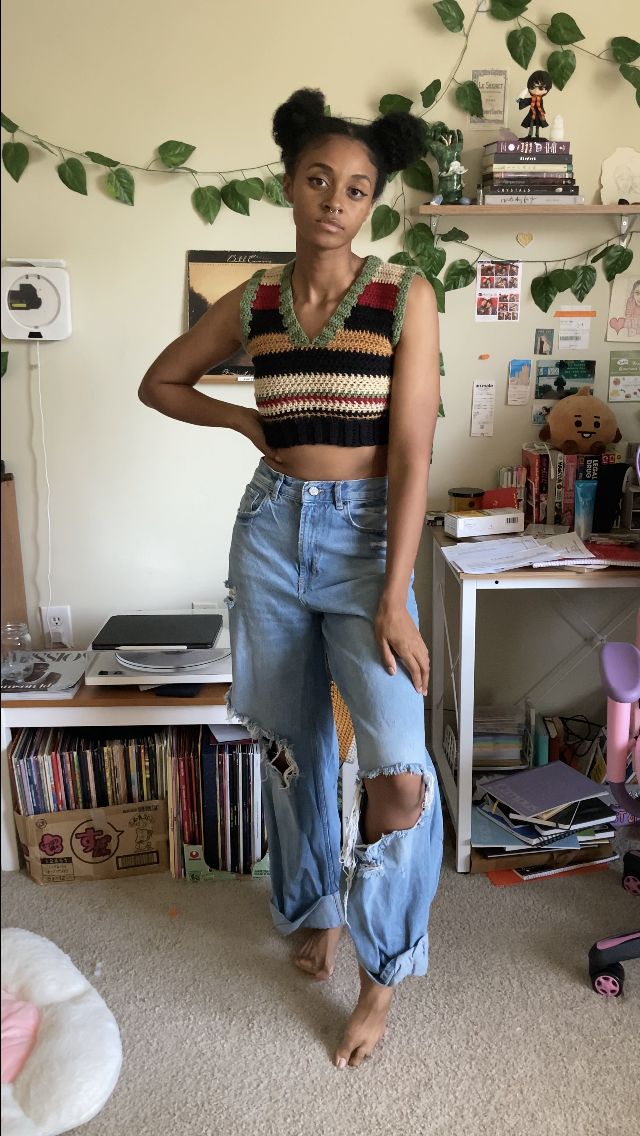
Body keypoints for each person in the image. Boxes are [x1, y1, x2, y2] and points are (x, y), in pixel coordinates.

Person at [139, 88, 443, 1069]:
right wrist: (239, 419)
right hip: (270, 532)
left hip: (366, 545)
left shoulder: (406, 296)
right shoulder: (254, 299)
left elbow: (411, 454)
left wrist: (394, 594)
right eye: (319, 179)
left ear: (371, 203)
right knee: (292, 743)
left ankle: (382, 976)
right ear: (288, 183)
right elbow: (161, 380)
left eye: (356, 189)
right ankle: (315, 907)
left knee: (397, 769)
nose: (334, 201)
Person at [516, 70, 552, 140]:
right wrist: (520, 99)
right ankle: (530, 134)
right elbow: (526, 101)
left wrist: (542, 113)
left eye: (540, 88)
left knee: (538, 124)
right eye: (533, 87)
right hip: (532, 113)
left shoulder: (540, 99)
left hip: (538, 114)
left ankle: (537, 135)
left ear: (546, 90)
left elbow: (540, 107)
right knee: (531, 123)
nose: (536, 90)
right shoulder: (532, 99)